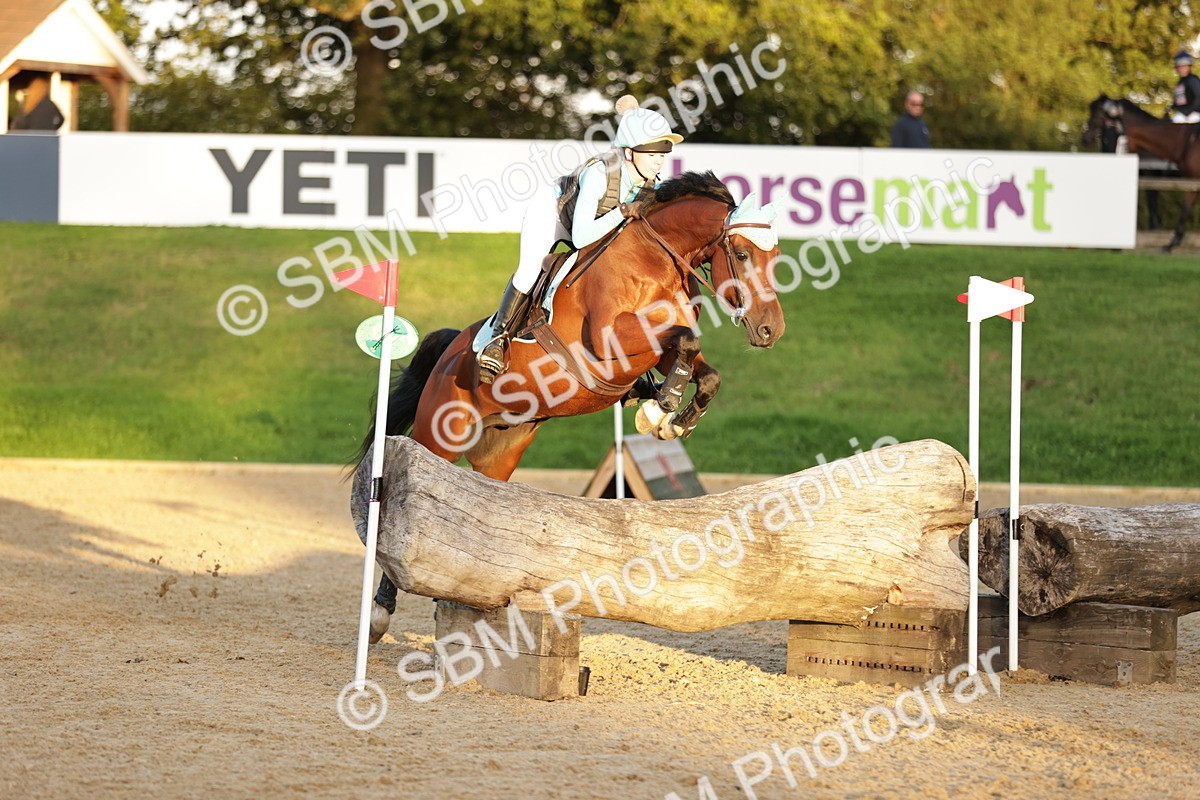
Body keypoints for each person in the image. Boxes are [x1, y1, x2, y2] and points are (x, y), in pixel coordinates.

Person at [476, 96, 683, 383]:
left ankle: (636, 373)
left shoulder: (653, 184)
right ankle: (497, 340)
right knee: (529, 272)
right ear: (629, 153)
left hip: (595, 225)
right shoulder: (600, 173)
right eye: (651, 154)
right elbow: (581, 235)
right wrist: (624, 211)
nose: (659, 160)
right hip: (555, 216)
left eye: (662, 154)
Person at [1171, 49, 1200, 122]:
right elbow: (1180, 99)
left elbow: (1198, 98)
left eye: (1184, 67)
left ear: (1189, 67)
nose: (1182, 69)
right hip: (1183, 114)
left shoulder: (1192, 80)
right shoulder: (1180, 82)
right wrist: (1172, 106)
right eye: (1180, 67)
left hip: (1194, 113)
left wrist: (1187, 111)